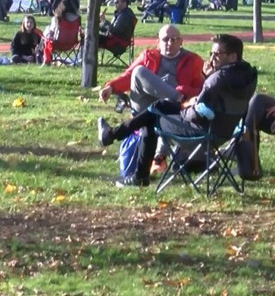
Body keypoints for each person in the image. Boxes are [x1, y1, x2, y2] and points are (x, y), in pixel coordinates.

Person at [97, 34, 258, 187]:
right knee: (160, 106)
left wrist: (186, 107)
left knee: (153, 115)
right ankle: (111, 134)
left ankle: (139, 175)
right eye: (211, 53)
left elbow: (194, 115)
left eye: (217, 54)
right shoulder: (249, 75)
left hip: (200, 131)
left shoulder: (217, 79)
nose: (212, 58)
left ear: (232, 56)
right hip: (224, 131)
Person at [98, 24, 205, 113]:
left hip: (174, 108)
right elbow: (129, 76)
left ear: (181, 42)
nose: (169, 43)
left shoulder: (192, 60)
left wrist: (183, 90)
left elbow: (200, 91)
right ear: (158, 42)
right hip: (146, 106)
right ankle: (177, 97)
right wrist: (111, 87)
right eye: (165, 39)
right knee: (139, 71)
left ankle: (178, 98)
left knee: (168, 81)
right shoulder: (148, 56)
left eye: (174, 39)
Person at [40, 0, 81, 65]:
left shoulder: (57, 18)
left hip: (57, 44)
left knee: (47, 34)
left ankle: (45, 58)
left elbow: (51, 32)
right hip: (72, 44)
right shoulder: (77, 18)